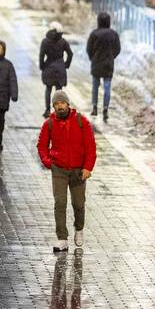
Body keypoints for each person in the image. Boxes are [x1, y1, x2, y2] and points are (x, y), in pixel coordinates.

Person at [37, 90, 96, 252]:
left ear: (68, 104)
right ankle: (62, 238)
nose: (59, 106)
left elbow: (91, 147)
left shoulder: (81, 121)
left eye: (62, 103)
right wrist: (49, 162)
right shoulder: (49, 123)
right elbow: (41, 146)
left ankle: (79, 228)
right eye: (56, 104)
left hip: (78, 170)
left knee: (78, 203)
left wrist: (87, 167)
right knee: (60, 203)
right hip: (59, 170)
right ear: (53, 106)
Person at [85, 11, 121, 122]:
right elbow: (117, 49)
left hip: (96, 63)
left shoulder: (94, 34)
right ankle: (105, 109)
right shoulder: (114, 34)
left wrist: (93, 58)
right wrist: (111, 57)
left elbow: (89, 49)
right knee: (107, 87)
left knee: (95, 86)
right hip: (108, 64)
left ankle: (95, 107)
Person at [39, 21, 73, 118]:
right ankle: (58, 111)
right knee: (59, 92)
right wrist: (66, 64)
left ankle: (47, 110)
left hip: (48, 66)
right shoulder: (63, 41)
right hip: (60, 67)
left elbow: (41, 55)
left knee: (48, 89)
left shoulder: (45, 41)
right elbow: (70, 54)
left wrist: (42, 66)